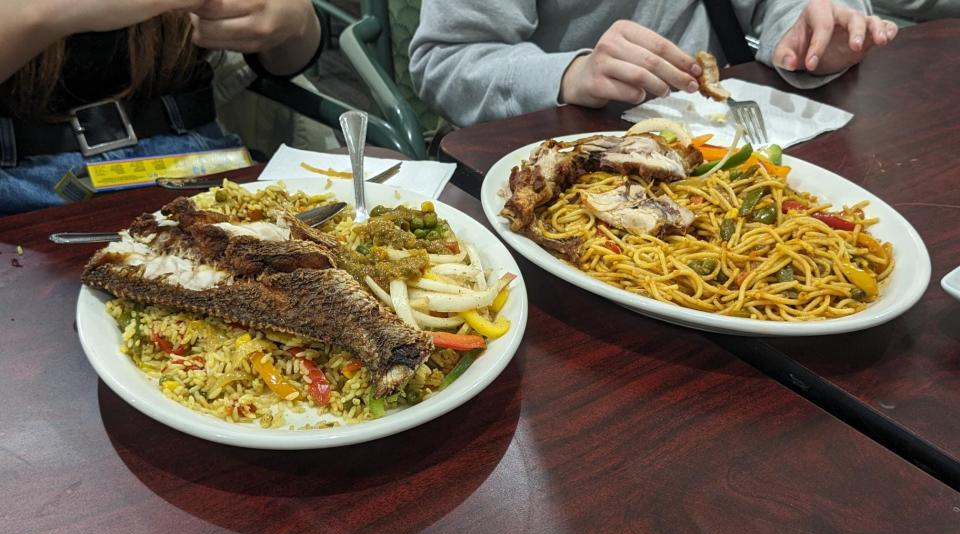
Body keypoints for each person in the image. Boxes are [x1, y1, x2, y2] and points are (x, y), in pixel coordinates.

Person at [0, 1, 323, 216]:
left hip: (197, 161)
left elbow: (289, 59)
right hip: (22, 188)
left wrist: (295, 18)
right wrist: (43, 14)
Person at [409, 0, 898, 127]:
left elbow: (785, 9)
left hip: (722, 140)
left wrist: (810, 36)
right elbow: (444, 60)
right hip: (556, 147)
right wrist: (569, 73)